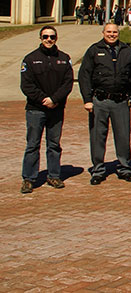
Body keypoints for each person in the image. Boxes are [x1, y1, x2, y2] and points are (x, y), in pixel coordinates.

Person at [79, 22, 131, 185]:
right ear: (103, 33)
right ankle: (98, 169)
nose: (112, 34)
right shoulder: (94, 50)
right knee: (97, 136)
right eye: (108, 32)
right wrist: (87, 99)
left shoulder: (127, 51)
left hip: (121, 101)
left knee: (123, 136)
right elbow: (84, 76)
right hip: (99, 101)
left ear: (118, 33)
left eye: (114, 32)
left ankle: (124, 168)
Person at [19, 26, 73, 193]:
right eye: (45, 36)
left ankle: (54, 175)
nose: (49, 39)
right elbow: (26, 85)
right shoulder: (30, 59)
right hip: (36, 109)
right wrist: (44, 99)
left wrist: (54, 99)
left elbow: (68, 83)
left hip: (56, 109)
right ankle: (29, 178)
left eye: (52, 37)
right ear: (40, 38)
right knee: (33, 145)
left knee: (54, 144)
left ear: (56, 38)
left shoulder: (64, 59)